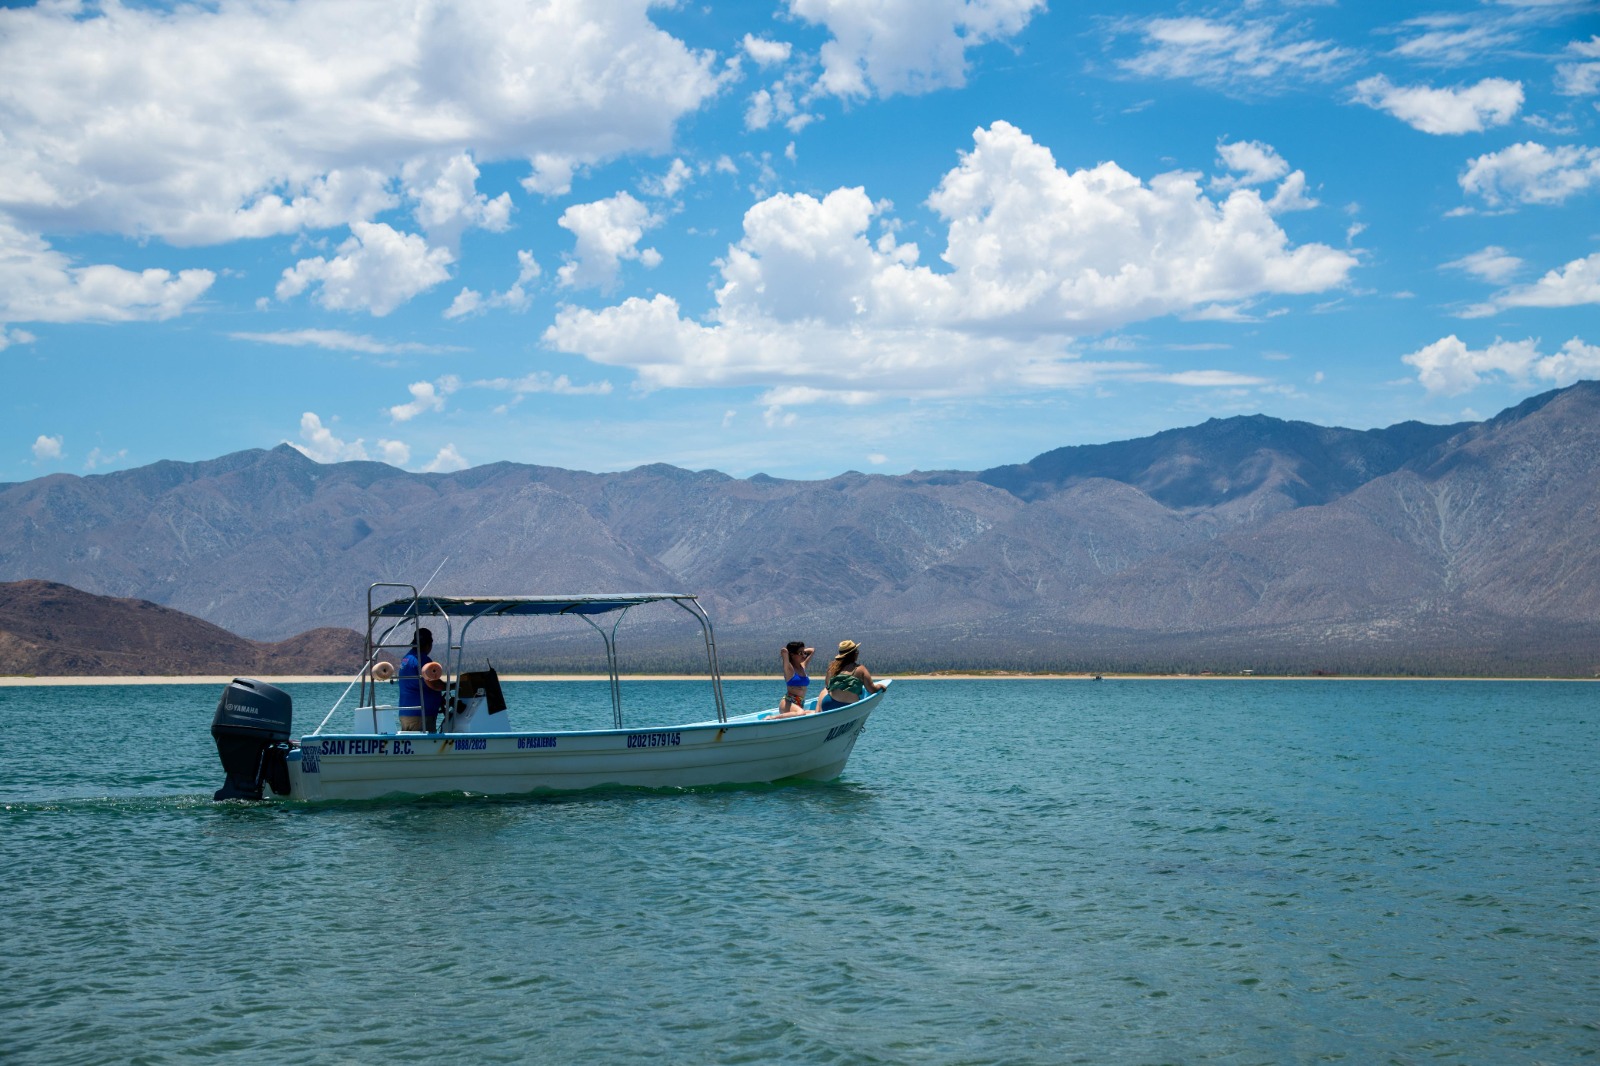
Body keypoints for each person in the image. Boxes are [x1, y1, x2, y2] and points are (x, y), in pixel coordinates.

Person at [397, 627, 446, 731]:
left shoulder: (407, 658)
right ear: (429, 644)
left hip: (406, 713)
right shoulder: (422, 660)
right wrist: (449, 686)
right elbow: (433, 683)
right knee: (425, 746)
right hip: (420, 716)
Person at [819, 639, 884, 710]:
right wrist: (880, 686)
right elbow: (872, 690)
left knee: (823, 691)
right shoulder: (860, 669)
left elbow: (828, 686)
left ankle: (817, 715)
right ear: (854, 654)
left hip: (828, 704)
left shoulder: (832, 668)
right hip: (849, 706)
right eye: (857, 652)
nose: (858, 653)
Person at [776, 640, 815, 717]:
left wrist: (801, 651)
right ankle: (772, 718)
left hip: (799, 703)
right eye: (800, 653)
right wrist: (789, 653)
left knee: (815, 712)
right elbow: (784, 651)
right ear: (792, 654)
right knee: (801, 713)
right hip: (788, 703)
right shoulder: (789, 670)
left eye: (804, 653)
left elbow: (812, 650)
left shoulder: (802, 667)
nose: (804, 655)